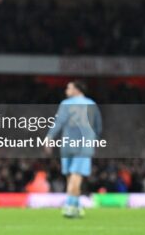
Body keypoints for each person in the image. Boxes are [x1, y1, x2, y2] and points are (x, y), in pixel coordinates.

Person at [45, 80, 102, 218]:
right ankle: (71, 205)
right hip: (83, 146)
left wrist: (49, 137)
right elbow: (98, 126)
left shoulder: (65, 104)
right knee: (76, 176)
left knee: (70, 176)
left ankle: (75, 206)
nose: (66, 90)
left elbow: (59, 122)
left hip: (67, 144)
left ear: (77, 89)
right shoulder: (91, 104)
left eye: (69, 88)